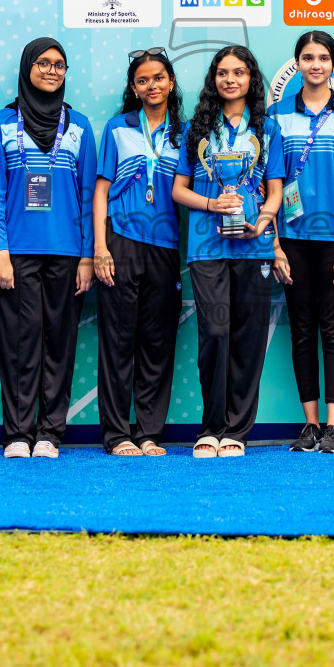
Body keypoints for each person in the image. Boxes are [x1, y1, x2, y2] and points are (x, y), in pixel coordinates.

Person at [0, 38, 96, 459]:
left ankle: (50, 432)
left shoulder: (81, 126)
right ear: (27, 67)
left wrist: (86, 256)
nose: (51, 70)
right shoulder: (0, 124)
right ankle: (18, 432)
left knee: (60, 342)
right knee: (19, 342)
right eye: (43, 63)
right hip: (17, 255)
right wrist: (0, 251)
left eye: (59, 65)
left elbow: (88, 197)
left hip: (67, 254)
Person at [173, 45, 284, 458]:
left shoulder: (268, 129)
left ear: (251, 78)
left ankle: (236, 430)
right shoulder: (196, 128)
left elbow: (275, 191)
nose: (230, 79)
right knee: (214, 334)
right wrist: (212, 203)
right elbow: (178, 189)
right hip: (207, 244)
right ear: (213, 80)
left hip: (254, 244)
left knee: (249, 338)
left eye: (239, 72)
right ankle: (211, 426)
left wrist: (264, 219)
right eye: (222, 73)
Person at [268, 31, 334, 455]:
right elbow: (271, 184)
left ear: (333, 65)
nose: (315, 65)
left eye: (323, 58)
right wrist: (273, 245)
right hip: (291, 238)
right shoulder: (276, 116)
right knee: (303, 332)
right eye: (307, 57)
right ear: (297, 63)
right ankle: (309, 426)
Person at [93, 48, 184, 457]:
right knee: (117, 340)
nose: (152, 86)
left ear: (171, 83)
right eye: (143, 80)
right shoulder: (117, 128)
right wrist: (99, 247)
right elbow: (100, 191)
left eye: (159, 78)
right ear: (134, 87)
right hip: (120, 241)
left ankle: (148, 431)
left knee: (157, 342)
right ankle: (116, 434)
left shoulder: (185, 134)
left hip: (165, 246)